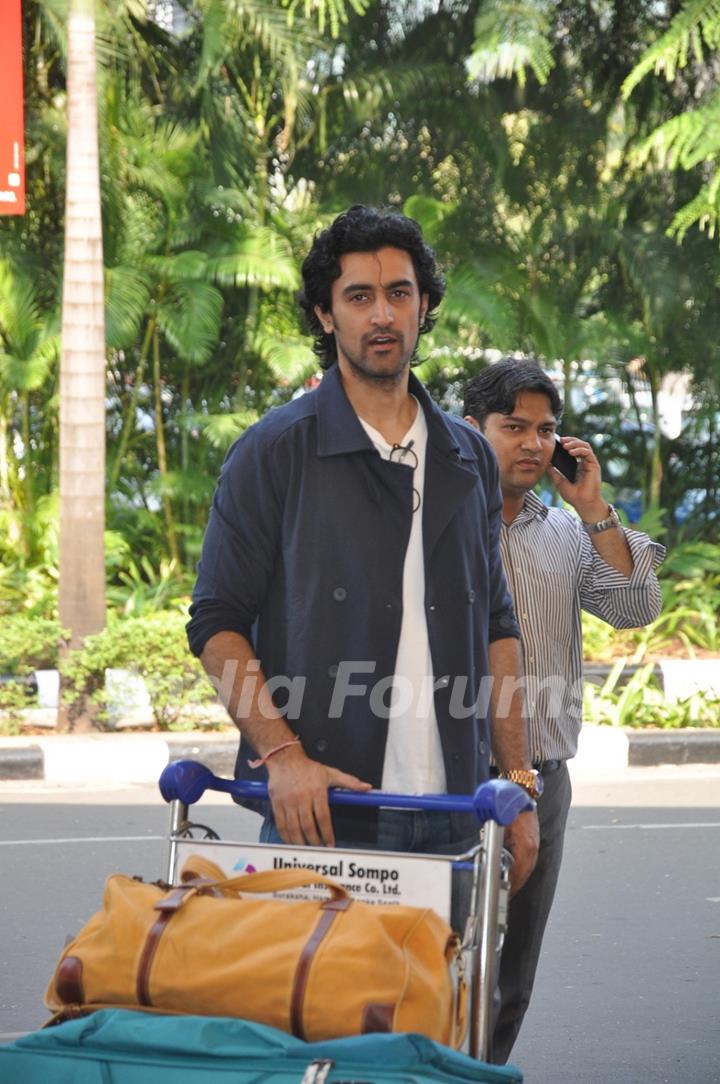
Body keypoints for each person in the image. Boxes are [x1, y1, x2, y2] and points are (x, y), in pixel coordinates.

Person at [187, 205, 539, 895]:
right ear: (326, 314)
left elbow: (497, 623)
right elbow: (217, 622)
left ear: (424, 305)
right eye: (359, 296)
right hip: (325, 815)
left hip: (455, 820)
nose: (382, 314)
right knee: (315, 1006)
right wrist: (283, 758)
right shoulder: (274, 453)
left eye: (399, 293)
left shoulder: (467, 456)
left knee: (453, 1006)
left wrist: (519, 781)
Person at [463, 358, 665, 1063]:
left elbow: (636, 607)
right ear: (470, 430)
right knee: (433, 962)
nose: (532, 443)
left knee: (511, 978)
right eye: (512, 426)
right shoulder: (436, 526)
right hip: (450, 780)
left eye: (545, 429)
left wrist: (594, 511)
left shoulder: (567, 536)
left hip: (542, 781)